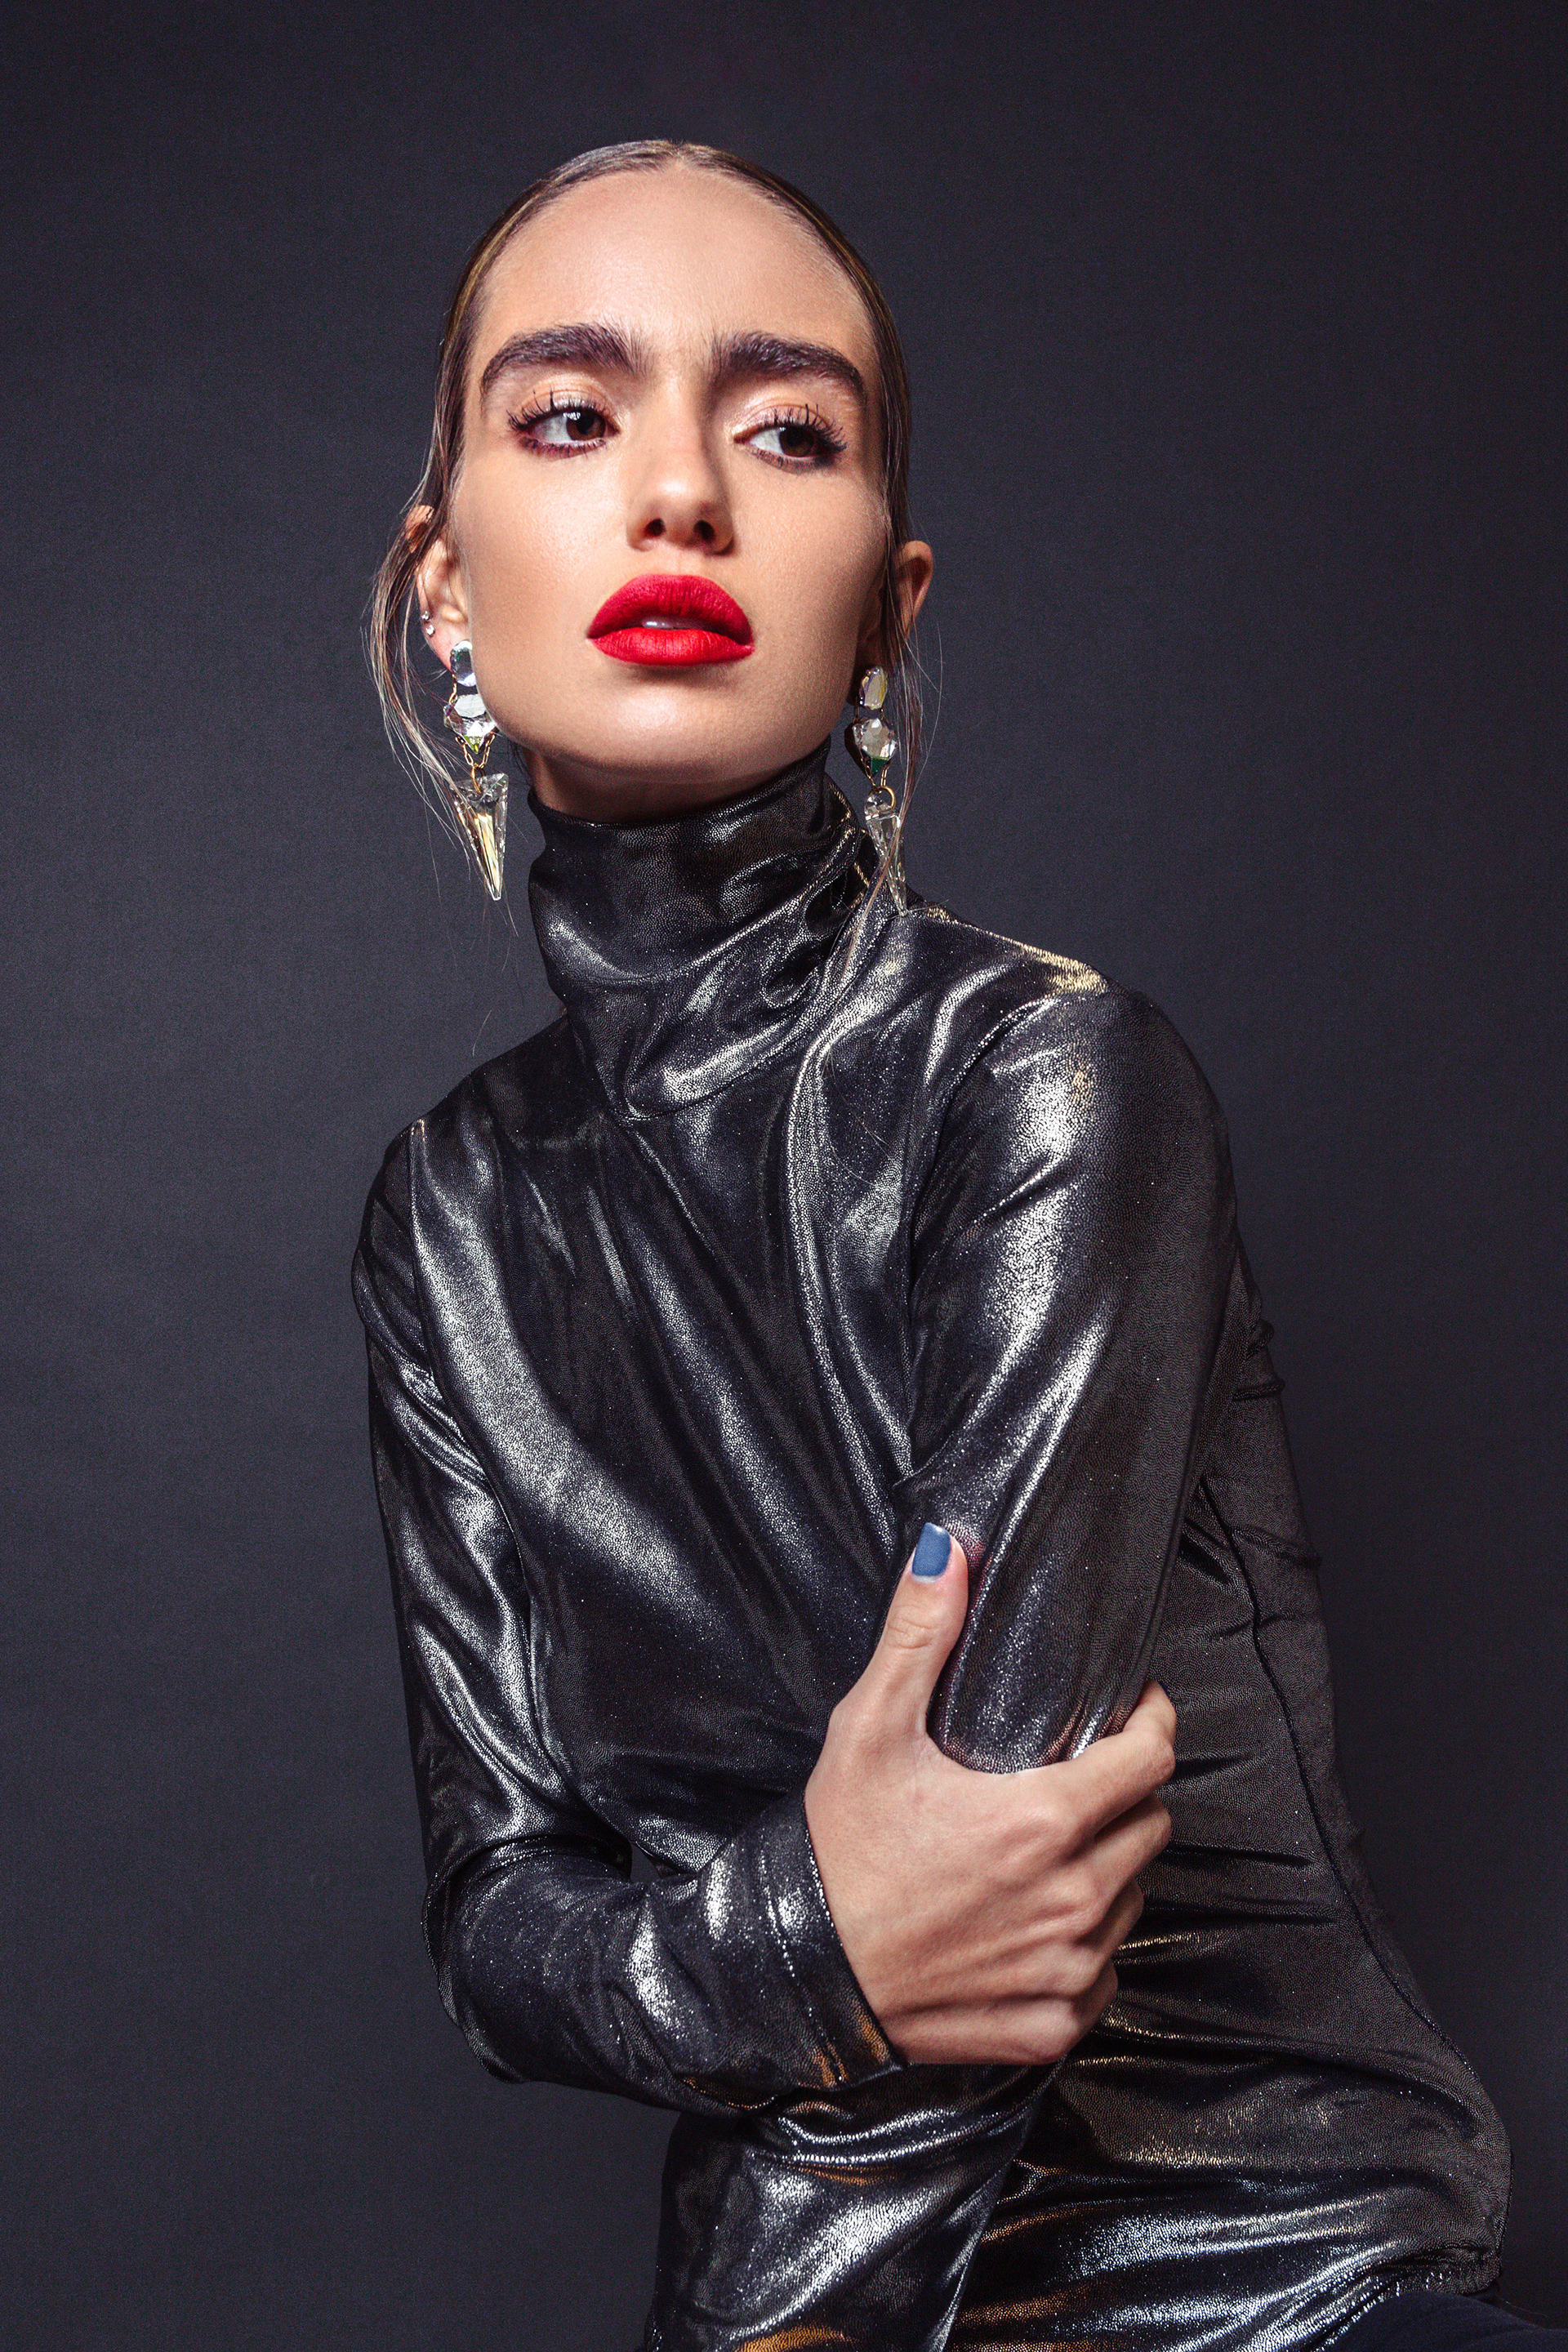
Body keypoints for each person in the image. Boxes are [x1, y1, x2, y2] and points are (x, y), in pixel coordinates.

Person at [353, 141, 1535, 2352]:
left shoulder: (1048, 1079)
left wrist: (759, 2075)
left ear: (891, 609)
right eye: (574, 416)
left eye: (788, 432)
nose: (681, 494)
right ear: (446, 585)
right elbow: (500, 1927)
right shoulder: (451, 1209)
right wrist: (815, 1939)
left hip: (1256, 2282)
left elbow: (999, 1888)